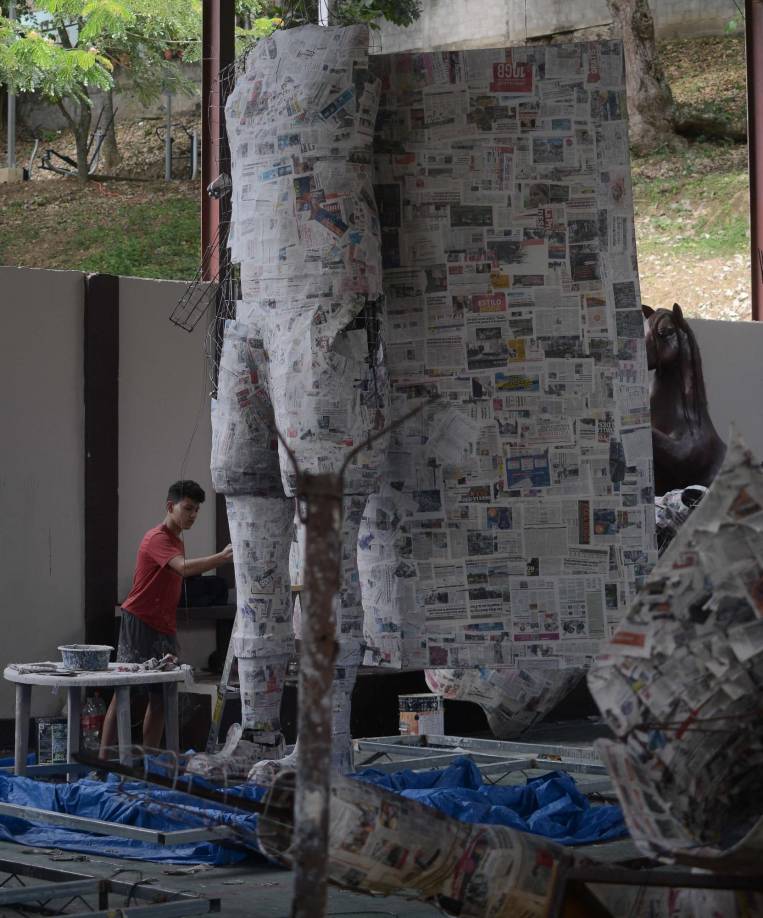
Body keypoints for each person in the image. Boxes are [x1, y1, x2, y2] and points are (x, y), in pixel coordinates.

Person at [99, 481, 233, 757]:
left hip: (164, 626)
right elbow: (182, 568)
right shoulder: (157, 538)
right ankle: (103, 762)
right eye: (188, 508)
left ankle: (150, 761)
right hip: (139, 621)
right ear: (170, 507)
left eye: (197, 510)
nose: (193, 515)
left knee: (161, 697)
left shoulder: (176, 540)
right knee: (125, 694)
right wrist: (221, 558)